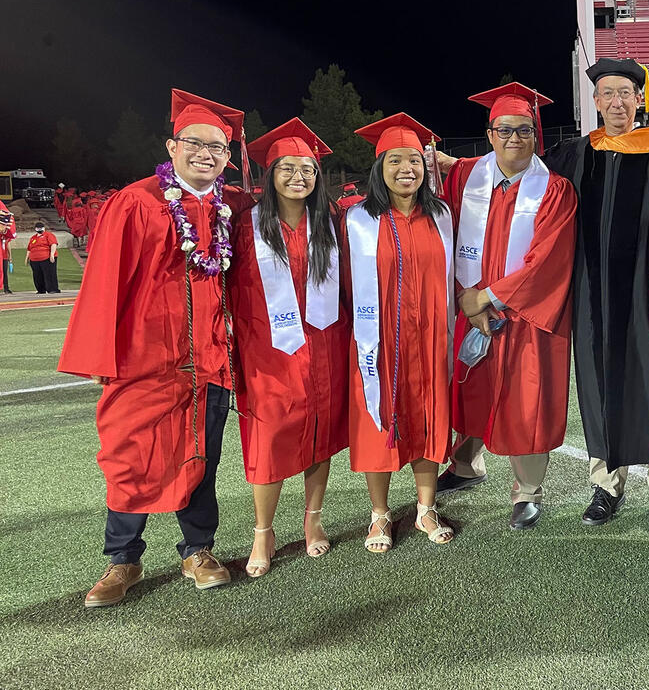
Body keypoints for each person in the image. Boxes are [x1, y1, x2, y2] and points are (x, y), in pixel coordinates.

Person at [59, 89, 253, 608]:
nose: (206, 154)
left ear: (229, 157)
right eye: (195, 143)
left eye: (217, 147)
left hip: (208, 359)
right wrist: (103, 356)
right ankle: (123, 559)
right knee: (130, 456)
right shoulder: (137, 201)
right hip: (143, 361)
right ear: (172, 146)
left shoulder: (231, 206)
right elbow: (104, 281)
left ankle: (198, 550)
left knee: (201, 456)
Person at [536, 57, 649, 531]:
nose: (616, 102)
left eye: (625, 93)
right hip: (591, 291)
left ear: (638, 99)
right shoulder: (576, 154)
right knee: (597, 381)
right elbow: (522, 173)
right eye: (607, 93)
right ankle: (606, 486)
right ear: (595, 102)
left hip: (648, 290)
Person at [439, 83, 578, 530]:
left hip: (524, 317)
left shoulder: (555, 191)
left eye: (523, 131)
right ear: (490, 133)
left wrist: (486, 297)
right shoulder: (466, 177)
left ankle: (528, 492)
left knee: (525, 399)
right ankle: (467, 465)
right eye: (505, 130)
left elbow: (549, 260)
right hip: (470, 309)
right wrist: (466, 298)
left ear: (536, 137)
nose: (514, 138)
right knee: (469, 387)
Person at [229, 118, 350, 577]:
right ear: (270, 174)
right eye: (288, 168)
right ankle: (264, 531)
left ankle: (312, 520)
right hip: (268, 349)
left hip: (325, 343)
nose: (299, 177)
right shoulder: (246, 225)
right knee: (270, 437)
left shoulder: (331, 222)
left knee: (320, 431)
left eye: (308, 169)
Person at [344, 112, 456, 551]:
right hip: (379, 338)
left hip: (429, 337)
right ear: (379, 169)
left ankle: (426, 508)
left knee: (430, 414)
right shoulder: (357, 220)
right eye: (395, 160)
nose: (407, 168)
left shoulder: (441, 215)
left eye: (415, 159)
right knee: (378, 417)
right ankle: (380, 514)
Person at [26, 221, 60, 293]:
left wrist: (52, 254)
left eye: (40, 228)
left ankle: (52, 289)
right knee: (37, 275)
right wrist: (27, 258)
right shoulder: (33, 238)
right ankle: (41, 289)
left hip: (46, 258)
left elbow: (53, 244)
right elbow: (29, 248)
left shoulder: (48, 235)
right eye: (38, 228)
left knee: (49, 274)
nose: (39, 229)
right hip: (34, 260)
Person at [0, 210, 14, 294]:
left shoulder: (5, 236)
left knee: (4, 272)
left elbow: (8, 246)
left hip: (4, 256)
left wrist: (10, 258)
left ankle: (6, 288)